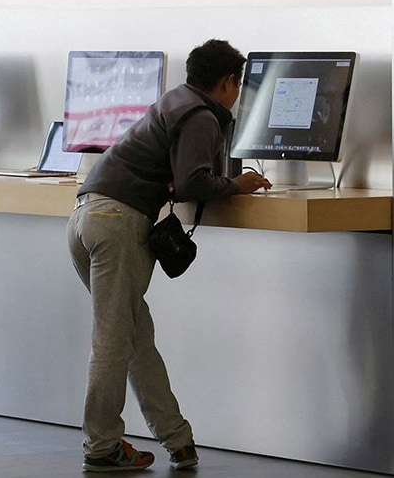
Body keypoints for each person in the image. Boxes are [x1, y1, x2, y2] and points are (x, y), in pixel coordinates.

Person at [66, 39, 271, 472]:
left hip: (88, 217)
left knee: (136, 336)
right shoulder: (201, 116)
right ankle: (101, 447)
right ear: (229, 82)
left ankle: (178, 439)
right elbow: (195, 182)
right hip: (118, 225)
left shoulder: (174, 102)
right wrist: (239, 185)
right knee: (114, 340)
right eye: (238, 84)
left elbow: (178, 174)